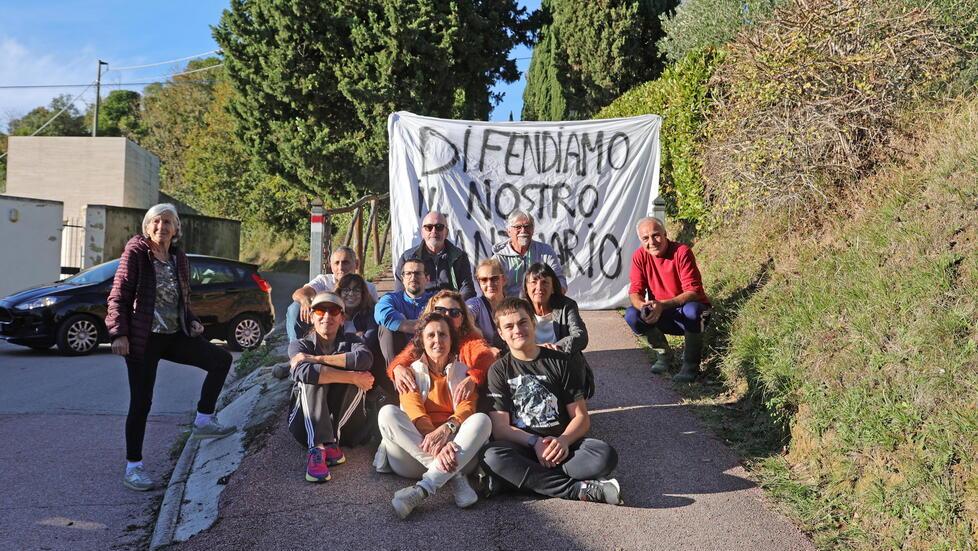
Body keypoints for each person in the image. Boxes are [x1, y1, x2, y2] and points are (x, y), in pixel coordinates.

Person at [107, 203, 236, 492]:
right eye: (156, 221)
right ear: (147, 226)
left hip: (175, 335)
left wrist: (193, 321)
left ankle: (203, 420)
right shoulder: (136, 253)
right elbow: (118, 295)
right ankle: (134, 467)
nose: (161, 227)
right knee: (141, 403)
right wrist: (118, 334)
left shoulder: (178, 257)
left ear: (176, 228)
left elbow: (182, 299)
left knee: (220, 360)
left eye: (167, 222)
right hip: (144, 338)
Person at [480, 298, 621, 505]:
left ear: (533, 323)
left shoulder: (560, 361)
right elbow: (501, 429)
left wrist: (563, 441)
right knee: (491, 456)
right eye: (509, 326)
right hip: (523, 448)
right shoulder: (498, 371)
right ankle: (577, 490)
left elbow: (581, 417)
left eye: (523, 322)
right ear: (501, 333)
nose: (517, 330)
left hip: (562, 447)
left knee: (604, 455)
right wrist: (535, 442)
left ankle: (516, 480)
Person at [374, 312, 492, 519]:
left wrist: (447, 430)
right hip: (416, 452)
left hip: (457, 450)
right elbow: (415, 413)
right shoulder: (409, 371)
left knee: (482, 420)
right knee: (387, 413)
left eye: (443, 334)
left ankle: (423, 489)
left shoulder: (464, 372)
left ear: (451, 339)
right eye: (431, 335)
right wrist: (437, 442)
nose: (437, 340)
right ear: (421, 340)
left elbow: (466, 408)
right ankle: (454, 477)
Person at [288, 292, 375, 482]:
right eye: (320, 310)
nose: (327, 316)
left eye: (334, 311)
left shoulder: (352, 341)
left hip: (348, 427)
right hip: (305, 427)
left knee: (348, 373)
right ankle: (318, 447)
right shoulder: (300, 345)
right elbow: (302, 372)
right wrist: (352, 377)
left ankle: (328, 442)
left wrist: (317, 359)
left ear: (342, 318)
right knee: (312, 379)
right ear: (312, 316)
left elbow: (364, 359)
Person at [624, 217, 710, 383]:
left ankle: (691, 366)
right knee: (632, 314)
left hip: (690, 315)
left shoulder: (682, 251)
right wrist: (642, 306)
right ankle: (664, 355)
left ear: (665, 234)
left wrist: (662, 305)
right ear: (641, 240)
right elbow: (635, 292)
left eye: (656, 235)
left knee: (693, 310)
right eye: (645, 238)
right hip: (661, 313)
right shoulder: (639, 256)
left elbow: (693, 292)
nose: (652, 242)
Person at [387, 290, 496, 408]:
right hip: (425, 405)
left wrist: (473, 378)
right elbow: (403, 359)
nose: (446, 316)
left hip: (460, 405)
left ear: (462, 319)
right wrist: (397, 368)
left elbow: (487, 358)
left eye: (454, 313)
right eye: (440, 311)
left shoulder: (470, 341)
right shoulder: (425, 340)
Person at [521, 262, 594, 399]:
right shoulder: (520, 309)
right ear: (526, 287)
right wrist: (536, 350)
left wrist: (554, 348)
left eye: (545, 282)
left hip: (561, 365)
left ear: (553, 287)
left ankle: (573, 397)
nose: (539, 287)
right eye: (534, 282)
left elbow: (580, 336)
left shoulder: (567, 306)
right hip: (532, 365)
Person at [287, 246, 379, 341]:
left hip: (357, 334)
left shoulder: (368, 287)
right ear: (331, 266)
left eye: (345, 262)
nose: (341, 268)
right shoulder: (323, 281)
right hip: (324, 328)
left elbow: (373, 316)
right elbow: (299, 293)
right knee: (295, 307)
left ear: (356, 264)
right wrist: (305, 301)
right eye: (336, 263)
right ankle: (297, 345)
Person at [393, 211, 476, 300]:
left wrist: (455, 304)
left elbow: (467, 288)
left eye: (439, 227)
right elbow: (399, 291)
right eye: (428, 227)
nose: (434, 231)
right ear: (422, 233)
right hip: (418, 305)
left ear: (446, 232)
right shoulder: (408, 257)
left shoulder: (459, 256)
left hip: (449, 305)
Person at [491, 210, 567, 298]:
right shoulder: (499, 258)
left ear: (533, 230)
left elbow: (560, 281)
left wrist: (552, 296)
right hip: (510, 304)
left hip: (540, 302)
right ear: (508, 231)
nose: (523, 230)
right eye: (518, 227)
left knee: (569, 303)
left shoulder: (545, 251)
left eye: (527, 226)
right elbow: (491, 288)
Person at [375, 259, 434, 369]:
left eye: (417, 273)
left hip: (429, 352)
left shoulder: (435, 299)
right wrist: (410, 325)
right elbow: (382, 314)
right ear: (402, 279)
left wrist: (402, 323)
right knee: (386, 327)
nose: (413, 277)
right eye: (408, 273)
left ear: (427, 278)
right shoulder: (391, 298)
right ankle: (395, 370)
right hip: (399, 355)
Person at [466, 258, 508, 352]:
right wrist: (486, 348)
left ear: (503, 279)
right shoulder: (476, 303)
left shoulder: (513, 305)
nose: (489, 284)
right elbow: (464, 320)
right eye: (484, 280)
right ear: (479, 283)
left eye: (494, 279)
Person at [334, 273, 378, 337]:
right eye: (346, 290)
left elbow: (369, 338)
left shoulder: (372, 312)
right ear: (339, 293)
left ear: (363, 294)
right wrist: (355, 338)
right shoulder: (331, 313)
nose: (351, 294)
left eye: (356, 290)